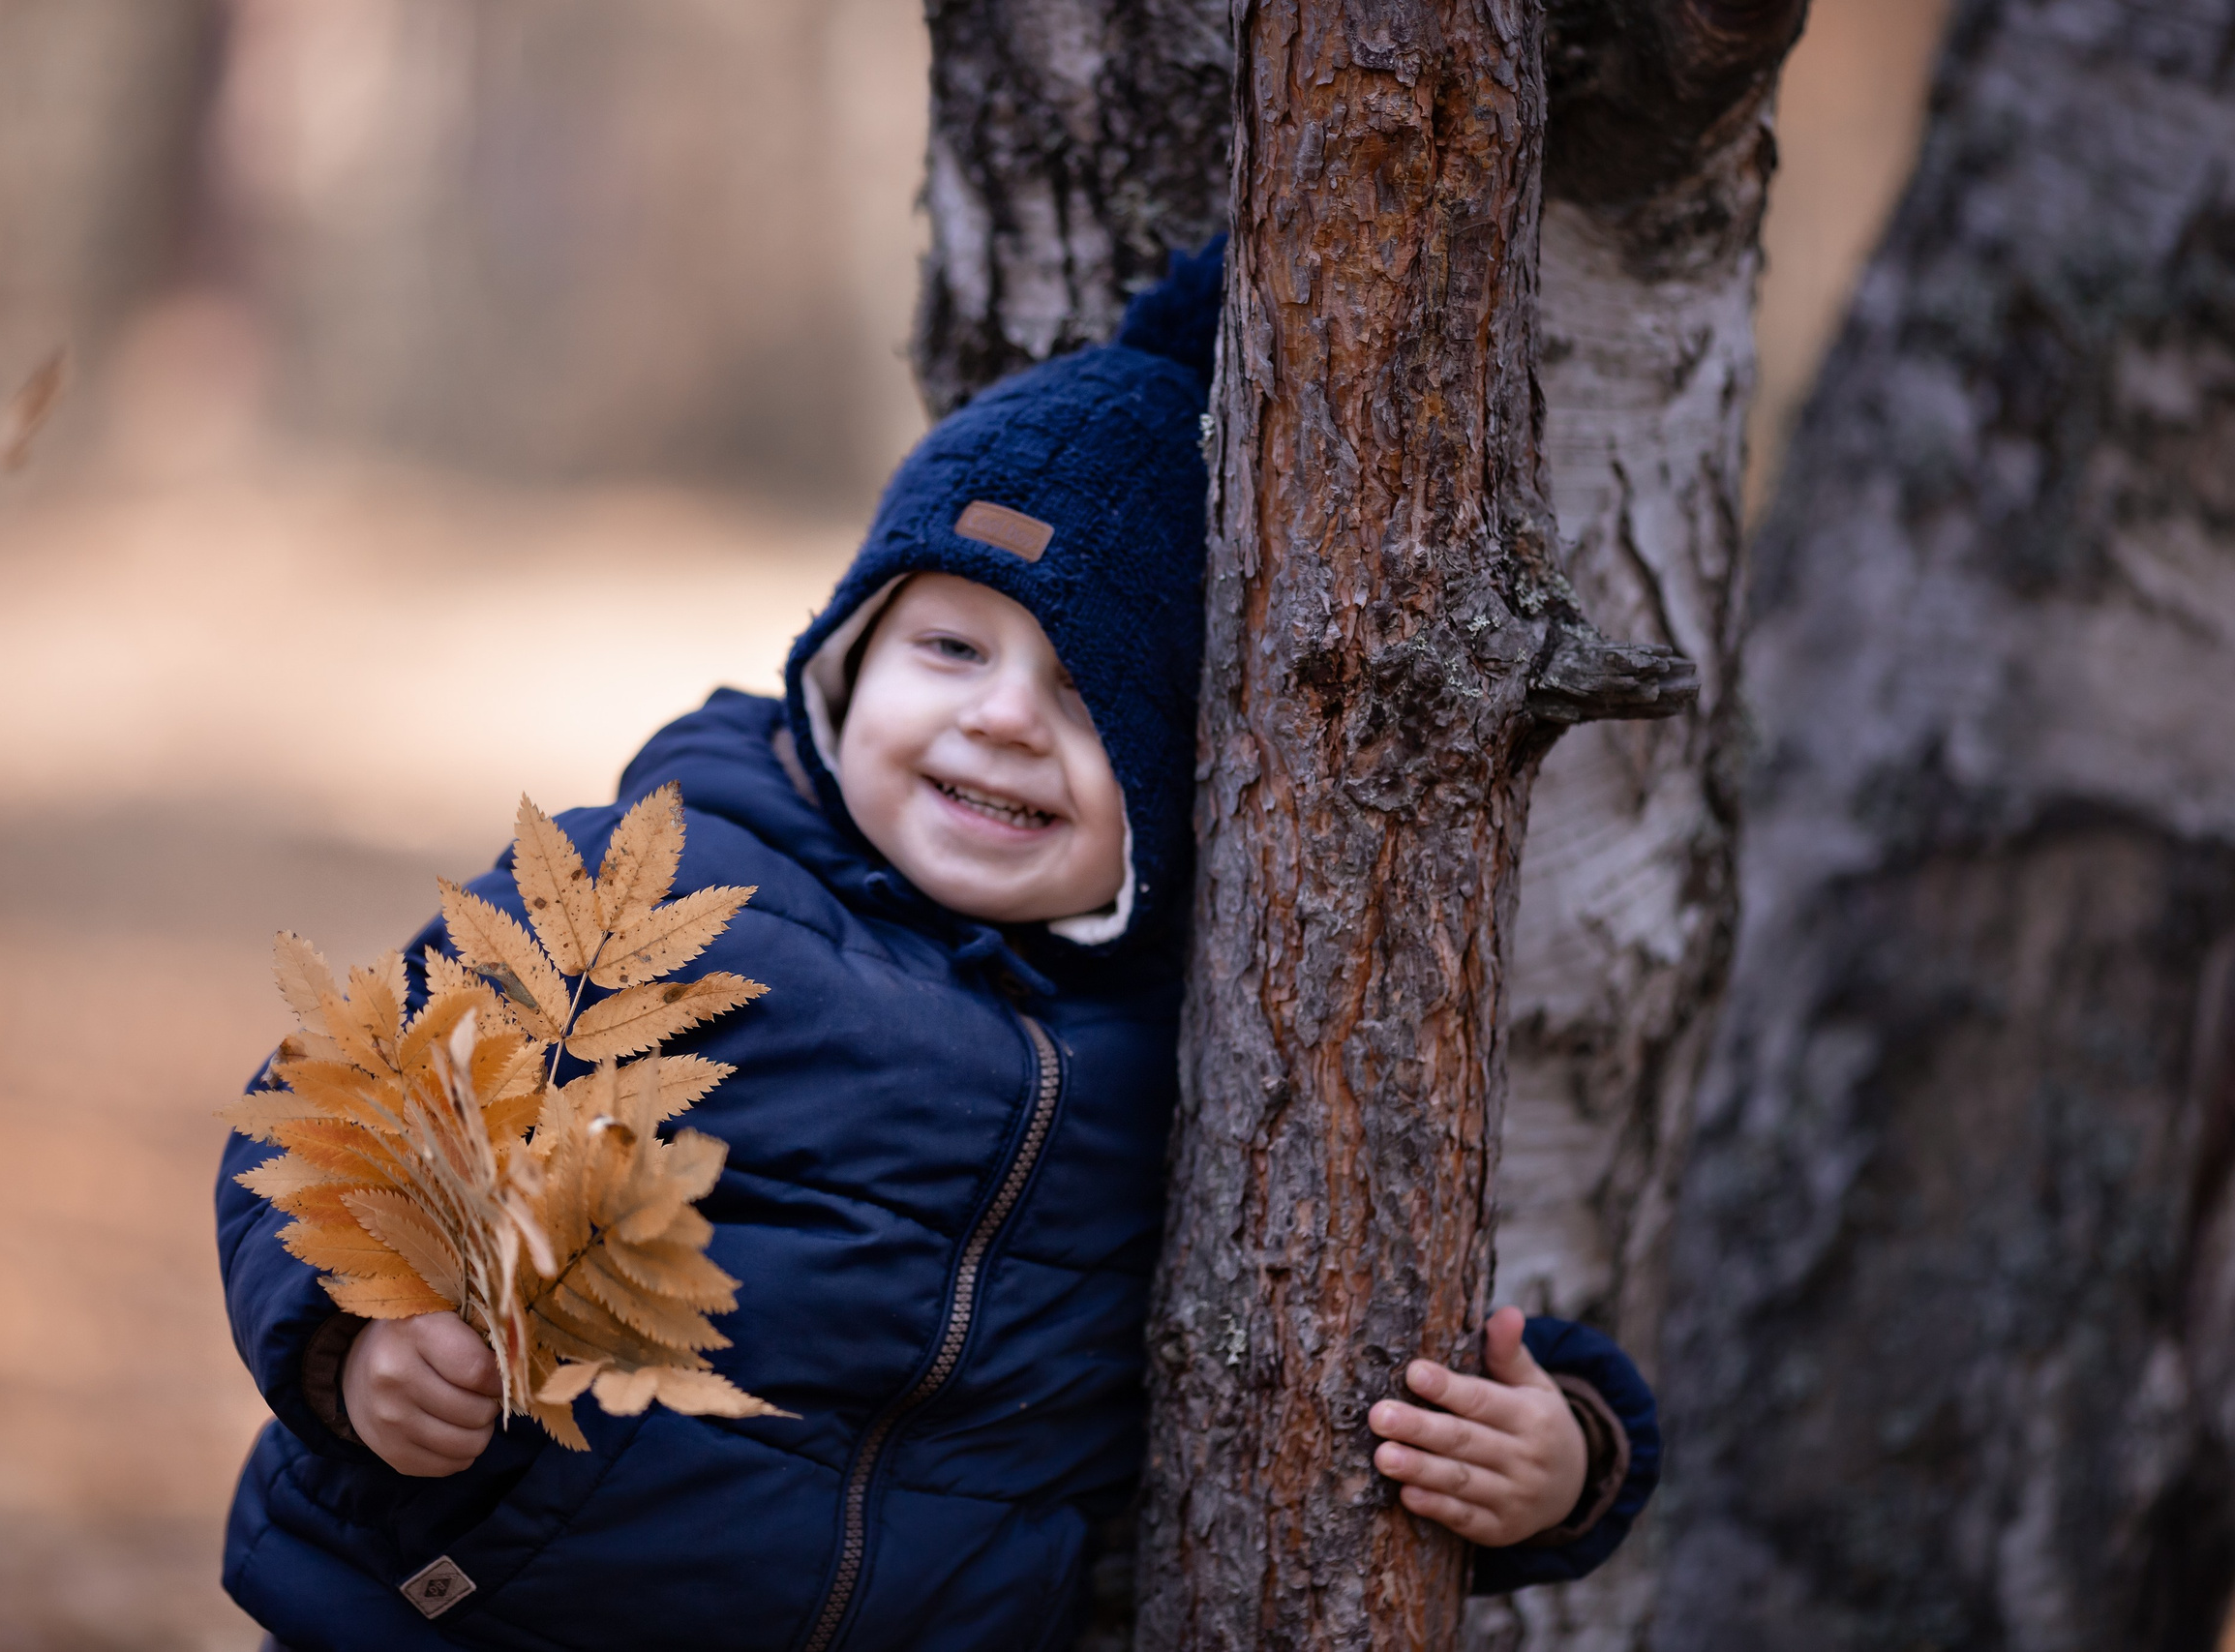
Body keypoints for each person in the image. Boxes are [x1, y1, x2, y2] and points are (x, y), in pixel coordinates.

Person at [216, 243, 1659, 1652]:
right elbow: (352, 1113)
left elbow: (1393, 1311)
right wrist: (358, 1341)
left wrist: (1566, 1459)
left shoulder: (1214, 1036)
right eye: (951, 648)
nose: (1004, 716)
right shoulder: (659, 887)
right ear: (845, 662)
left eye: (1093, 696)